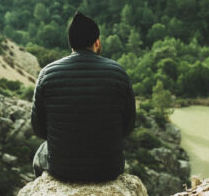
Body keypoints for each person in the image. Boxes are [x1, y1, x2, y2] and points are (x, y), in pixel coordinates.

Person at [31, 11, 136, 182]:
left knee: (39, 155)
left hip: (62, 169)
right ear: (97, 42)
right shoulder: (118, 72)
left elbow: (39, 129)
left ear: (71, 44)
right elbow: (128, 125)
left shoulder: (47, 73)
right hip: (108, 168)